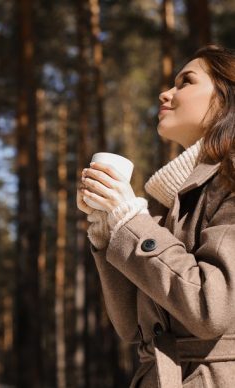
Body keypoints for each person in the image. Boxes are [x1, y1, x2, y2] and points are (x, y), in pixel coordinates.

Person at [76, 44, 235, 388]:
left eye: (185, 82)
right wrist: (109, 227)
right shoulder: (172, 201)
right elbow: (131, 326)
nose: (166, 93)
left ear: (225, 99)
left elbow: (210, 309)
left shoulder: (231, 179)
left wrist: (131, 222)